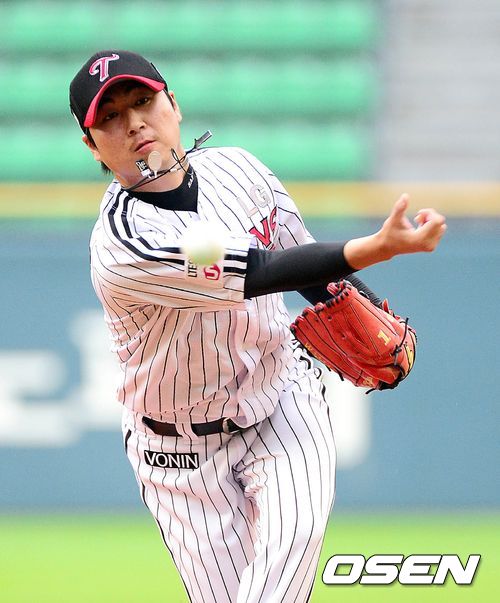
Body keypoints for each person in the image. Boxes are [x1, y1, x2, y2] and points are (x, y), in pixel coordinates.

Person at [69, 50, 446, 603]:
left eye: (144, 101)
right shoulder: (126, 244)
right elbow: (262, 271)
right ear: (92, 145)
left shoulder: (239, 170)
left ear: (174, 103)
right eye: (111, 117)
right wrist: (377, 247)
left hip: (283, 404)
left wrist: (369, 308)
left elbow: (305, 263)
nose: (134, 123)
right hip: (180, 458)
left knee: (290, 549)